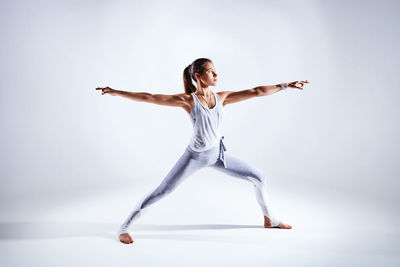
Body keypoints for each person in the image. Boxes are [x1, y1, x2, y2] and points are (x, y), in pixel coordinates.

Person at [96, 58, 309, 244]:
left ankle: (270, 219)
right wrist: (116, 92)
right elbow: (149, 97)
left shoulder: (222, 97)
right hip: (195, 157)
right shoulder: (189, 100)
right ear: (198, 76)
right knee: (163, 191)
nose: (216, 74)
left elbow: (256, 92)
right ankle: (123, 228)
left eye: (216, 70)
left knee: (259, 177)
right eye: (211, 71)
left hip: (218, 155)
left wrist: (285, 85)